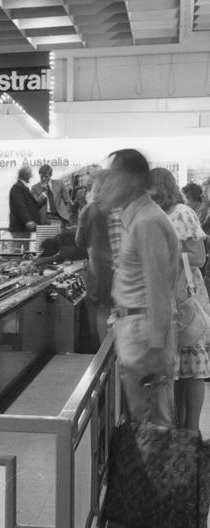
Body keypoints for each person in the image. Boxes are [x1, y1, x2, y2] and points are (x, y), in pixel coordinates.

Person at [100, 149, 179, 427]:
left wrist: (157, 346)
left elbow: (157, 286)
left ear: (133, 180)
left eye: (114, 175)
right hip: (137, 328)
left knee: (152, 425)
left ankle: (156, 470)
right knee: (144, 421)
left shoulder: (147, 222)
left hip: (143, 333)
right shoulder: (138, 219)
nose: (108, 183)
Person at [150, 168, 208, 431]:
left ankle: (192, 428)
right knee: (180, 366)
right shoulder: (161, 215)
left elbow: (198, 258)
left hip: (185, 296)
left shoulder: (181, 213)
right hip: (169, 296)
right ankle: (182, 430)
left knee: (192, 364)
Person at [75, 170, 114, 349]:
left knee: (101, 310)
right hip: (119, 266)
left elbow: (79, 241)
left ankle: (103, 358)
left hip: (97, 266)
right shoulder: (119, 207)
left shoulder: (89, 209)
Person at [8, 165, 40, 251]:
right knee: (17, 251)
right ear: (25, 175)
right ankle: (15, 264)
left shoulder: (21, 187)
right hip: (20, 227)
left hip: (23, 227)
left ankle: (22, 264)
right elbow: (20, 206)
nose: (31, 177)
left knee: (24, 252)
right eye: (30, 175)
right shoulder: (18, 188)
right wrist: (28, 220)